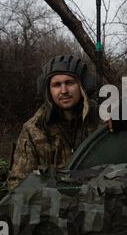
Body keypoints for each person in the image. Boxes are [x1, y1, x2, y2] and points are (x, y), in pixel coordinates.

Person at [7, 55, 100, 191]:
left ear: (82, 86)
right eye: (56, 85)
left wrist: (124, 120)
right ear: (48, 90)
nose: (64, 91)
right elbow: (18, 186)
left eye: (69, 83)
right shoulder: (34, 130)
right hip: (53, 208)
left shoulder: (101, 118)